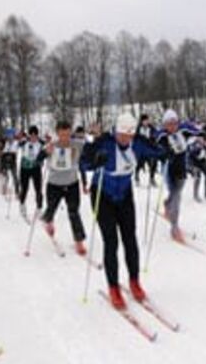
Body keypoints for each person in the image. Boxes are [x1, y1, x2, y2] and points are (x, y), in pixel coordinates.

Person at [80, 113, 163, 309]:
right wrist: (94, 162)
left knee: (130, 239)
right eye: (122, 135)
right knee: (111, 241)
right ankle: (113, 287)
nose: (126, 139)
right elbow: (83, 161)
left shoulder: (138, 143)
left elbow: (158, 151)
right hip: (102, 195)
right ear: (115, 131)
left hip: (125, 196)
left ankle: (134, 281)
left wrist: (167, 153)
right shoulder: (105, 142)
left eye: (129, 135)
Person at [40, 119, 88, 254]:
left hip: (72, 184)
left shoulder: (77, 144)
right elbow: (38, 159)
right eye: (62, 135)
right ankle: (48, 221)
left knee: (74, 213)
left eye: (67, 134)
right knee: (51, 208)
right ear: (57, 134)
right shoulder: (51, 145)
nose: (65, 138)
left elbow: (92, 149)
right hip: (54, 185)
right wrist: (45, 153)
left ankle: (79, 241)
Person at [156, 109, 196, 242]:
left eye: (174, 123)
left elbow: (197, 132)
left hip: (181, 169)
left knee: (175, 195)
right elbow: (153, 146)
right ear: (165, 124)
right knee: (177, 198)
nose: (172, 126)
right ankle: (174, 227)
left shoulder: (183, 132)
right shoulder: (162, 136)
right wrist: (162, 153)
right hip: (169, 170)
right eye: (169, 123)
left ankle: (167, 204)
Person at [18, 126, 45, 219]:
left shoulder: (41, 143)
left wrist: (43, 160)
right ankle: (22, 205)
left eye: (35, 135)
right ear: (29, 135)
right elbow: (16, 144)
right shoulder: (24, 142)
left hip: (36, 168)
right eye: (32, 135)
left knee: (38, 189)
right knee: (24, 188)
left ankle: (39, 208)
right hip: (24, 168)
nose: (33, 137)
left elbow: (47, 151)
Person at [189, 126, 206, 202]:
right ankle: (195, 195)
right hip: (194, 161)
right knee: (198, 177)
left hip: (203, 160)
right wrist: (203, 147)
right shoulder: (197, 143)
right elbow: (192, 153)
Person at [135, 114, 159, 187]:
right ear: (142, 121)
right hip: (141, 150)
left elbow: (156, 136)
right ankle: (137, 177)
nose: (146, 122)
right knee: (139, 164)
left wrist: (154, 141)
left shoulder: (151, 128)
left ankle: (152, 178)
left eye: (147, 120)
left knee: (153, 163)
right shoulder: (138, 128)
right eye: (145, 120)